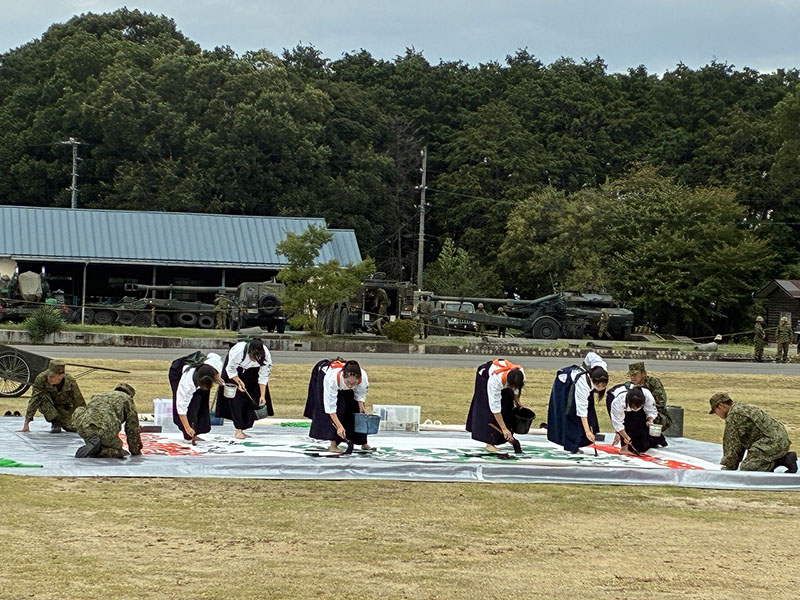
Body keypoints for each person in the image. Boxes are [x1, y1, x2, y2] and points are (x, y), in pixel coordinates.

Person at [709, 392, 797, 473]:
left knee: (748, 468)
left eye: (715, 411)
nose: (717, 414)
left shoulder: (734, 416)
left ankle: (782, 460)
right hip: (780, 440)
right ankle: (781, 458)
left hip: (770, 443)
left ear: (721, 406)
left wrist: (729, 466)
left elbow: (733, 444)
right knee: (750, 462)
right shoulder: (742, 407)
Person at [303, 359, 373, 453]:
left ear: (358, 379)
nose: (350, 385)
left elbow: (360, 394)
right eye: (348, 382)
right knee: (340, 407)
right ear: (343, 376)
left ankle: (362, 442)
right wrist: (339, 426)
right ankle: (333, 445)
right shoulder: (331, 379)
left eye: (353, 383)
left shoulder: (363, 377)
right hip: (325, 376)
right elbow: (330, 408)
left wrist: (361, 407)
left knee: (355, 409)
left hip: (343, 382)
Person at [547, 351, 609, 453]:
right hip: (565, 384)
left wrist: (586, 364)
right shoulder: (583, 383)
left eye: (603, 386)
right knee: (572, 415)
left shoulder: (602, 367)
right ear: (592, 379)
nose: (601, 389)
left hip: (580, 379)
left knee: (591, 414)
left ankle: (581, 440)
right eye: (598, 386)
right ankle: (572, 446)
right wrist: (588, 432)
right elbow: (582, 410)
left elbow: (590, 354)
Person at [215, 338, 273, 439]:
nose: (254, 360)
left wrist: (262, 395)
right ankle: (238, 429)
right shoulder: (238, 351)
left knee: (253, 398)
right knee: (237, 399)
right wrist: (238, 381)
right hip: (235, 370)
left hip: (253, 372)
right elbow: (230, 369)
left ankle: (244, 426)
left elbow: (264, 376)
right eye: (252, 357)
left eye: (257, 358)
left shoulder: (266, 355)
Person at [466, 358, 526, 453]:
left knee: (507, 407)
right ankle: (490, 442)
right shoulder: (495, 380)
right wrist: (503, 428)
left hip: (505, 380)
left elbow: (517, 388)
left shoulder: (520, 373)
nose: (513, 388)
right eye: (511, 386)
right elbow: (495, 407)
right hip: (485, 377)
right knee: (488, 410)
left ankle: (503, 437)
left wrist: (517, 400)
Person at [73, 383, 142, 459]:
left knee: (81, 410)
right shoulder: (127, 399)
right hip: (105, 430)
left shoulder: (99, 395)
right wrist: (136, 451)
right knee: (117, 451)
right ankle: (100, 450)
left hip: (84, 428)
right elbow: (132, 429)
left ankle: (95, 443)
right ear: (130, 395)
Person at [168, 352, 224, 443]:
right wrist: (187, 427)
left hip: (204, 373)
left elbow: (213, 355)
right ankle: (188, 435)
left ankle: (198, 431)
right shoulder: (187, 383)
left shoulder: (214, 364)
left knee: (202, 401)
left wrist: (217, 377)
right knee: (192, 405)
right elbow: (181, 406)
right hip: (178, 372)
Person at [20, 359, 86, 433]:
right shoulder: (41, 379)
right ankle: (55, 422)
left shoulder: (70, 381)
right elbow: (35, 399)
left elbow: (78, 401)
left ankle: (63, 421)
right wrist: (27, 422)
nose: (49, 378)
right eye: (48, 375)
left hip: (64, 407)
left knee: (71, 428)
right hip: (48, 405)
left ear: (61, 376)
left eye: (52, 376)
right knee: (41, 397)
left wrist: (83, 421)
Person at [605, 385, 659, 454]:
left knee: (641, 443)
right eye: (634, 407)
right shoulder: (618, 402)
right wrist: (625, 436)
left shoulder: (647, 395)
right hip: (614, 397)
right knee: (627, 424)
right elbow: (618, 422)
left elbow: (651, 410)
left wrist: (650, 420)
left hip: (633, 399)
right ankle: (624, 449)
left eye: (639, 406)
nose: (636, 409)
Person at [627, 362, 670, 446]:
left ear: (644, 373)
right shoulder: (630, 386)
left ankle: (655, 439)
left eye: (635, 375)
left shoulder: (653, 383)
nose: (633, 378)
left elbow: (661, 402)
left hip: (656, 413)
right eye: (631, 375)